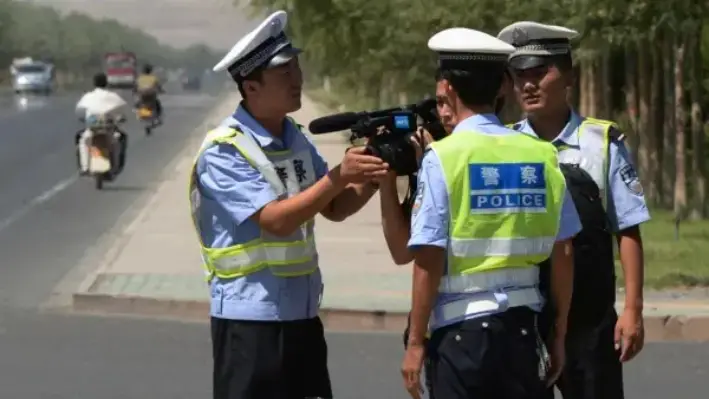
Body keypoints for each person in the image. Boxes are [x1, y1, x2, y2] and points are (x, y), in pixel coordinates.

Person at [190, 10, 388, 399]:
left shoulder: (296, 138)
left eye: (297, 69)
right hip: (249, 321)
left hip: (302, 316)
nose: (298, 80)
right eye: (285, 74)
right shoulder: (224, 150)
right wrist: (338, 176)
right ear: (251, 86)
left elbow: (335, 208)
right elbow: (275, 221)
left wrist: (375, 171)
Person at [400, 27, 582, 399]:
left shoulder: (444, 156)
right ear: (503, 84)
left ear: (448, 88)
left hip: (462, 336)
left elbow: (429, 257)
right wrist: (559, 333)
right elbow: (564, 250)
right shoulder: (542, 154)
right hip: (523, 334)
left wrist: (416, 341)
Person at [497, 21, 651, 399]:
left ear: (569, 76)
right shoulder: (506, 145)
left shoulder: (602, 143)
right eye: (519, 76)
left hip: (589, 317)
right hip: (525, 314)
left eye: (539, 72)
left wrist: (632, 310)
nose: (528, 85)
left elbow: (627, 228)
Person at [75, 72, 128, 175]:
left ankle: (85, 167)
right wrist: (121, 118)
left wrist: (83, 118)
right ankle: (116, 167)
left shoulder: (88, 96)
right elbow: (123, 110)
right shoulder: (113, 96)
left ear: (94, 83)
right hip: (108, 128)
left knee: (84, 142)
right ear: (106, 83)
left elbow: (79, 110)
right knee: (117, 144)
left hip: (92, 127)